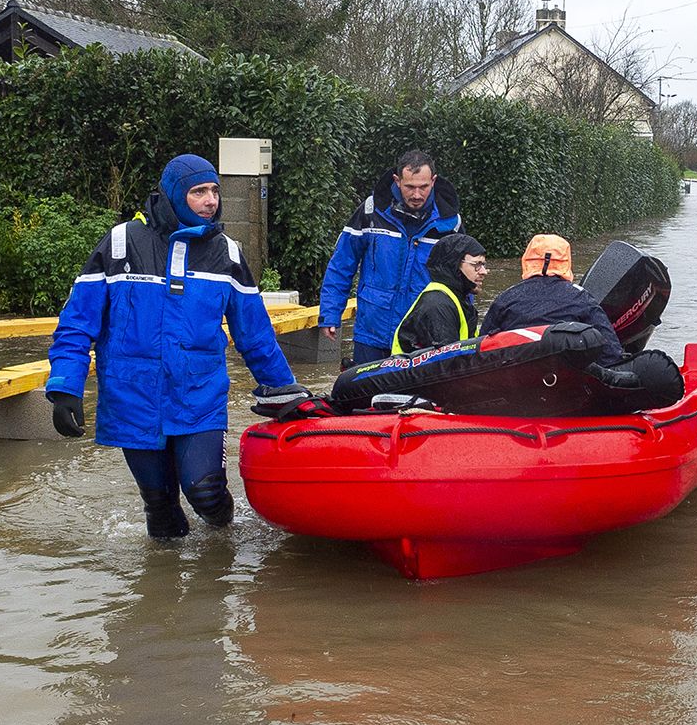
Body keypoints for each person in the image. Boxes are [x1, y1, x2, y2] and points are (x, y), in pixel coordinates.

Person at [45, 154, 306, 541]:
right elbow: (77, 322)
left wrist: (287, 393)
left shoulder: (227, 254)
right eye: (199, 191)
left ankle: (222, 548)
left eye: (214, 191)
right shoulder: (121, 244)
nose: (210, 201)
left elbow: (255, 335)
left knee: (206, 493)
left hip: (198, 396)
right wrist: (65, 387)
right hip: (132, 398)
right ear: (173, 195)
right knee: (161, 512)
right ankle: (164, 595)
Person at [318, 150, 464, 365]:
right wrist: (330, 313)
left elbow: (463, 280)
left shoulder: (450, 223)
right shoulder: (371, 212)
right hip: (373, 330)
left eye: (423, 187)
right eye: (409, 187)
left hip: (422, 334)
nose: (416, 195)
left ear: (433, 181)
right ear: (397, 180)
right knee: (364, 396)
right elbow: (341, 264)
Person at [479, 234, 625, 366]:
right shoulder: (581, 297)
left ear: (527, 260)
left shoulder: (506, 297)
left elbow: (482, 346)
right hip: (566, 380)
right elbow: (610, 352)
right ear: (566, 261)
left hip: (515, 380)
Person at [392, 233, 488, 353]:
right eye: (477, 265)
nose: (484, 272)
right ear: (454, 265)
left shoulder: (458, 298)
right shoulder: (437, 304)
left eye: (483, 265)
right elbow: (448, 364)